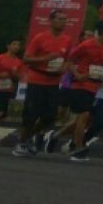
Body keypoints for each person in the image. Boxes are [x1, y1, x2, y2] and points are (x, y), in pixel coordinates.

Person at [14, 10, 72, 156]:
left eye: (65, 19)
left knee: (50, 117)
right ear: (51, 21)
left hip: (53, 82)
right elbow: (26, 59)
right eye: (60, 19)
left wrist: (63, 69)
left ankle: (27, 138)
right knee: (30, 114)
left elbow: (68, 60)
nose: (63, 22)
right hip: (37, 80)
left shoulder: (67, 40)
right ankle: (22, 142)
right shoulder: (40, 38)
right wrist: (45, 59)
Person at [60, 21, 103, 162]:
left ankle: (68, 141)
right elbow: (69, 61)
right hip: (81, 86)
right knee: (83, 116)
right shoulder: (86, 45)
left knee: (91, 120)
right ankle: (78, 148)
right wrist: (77, 75)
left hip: (96, 87)